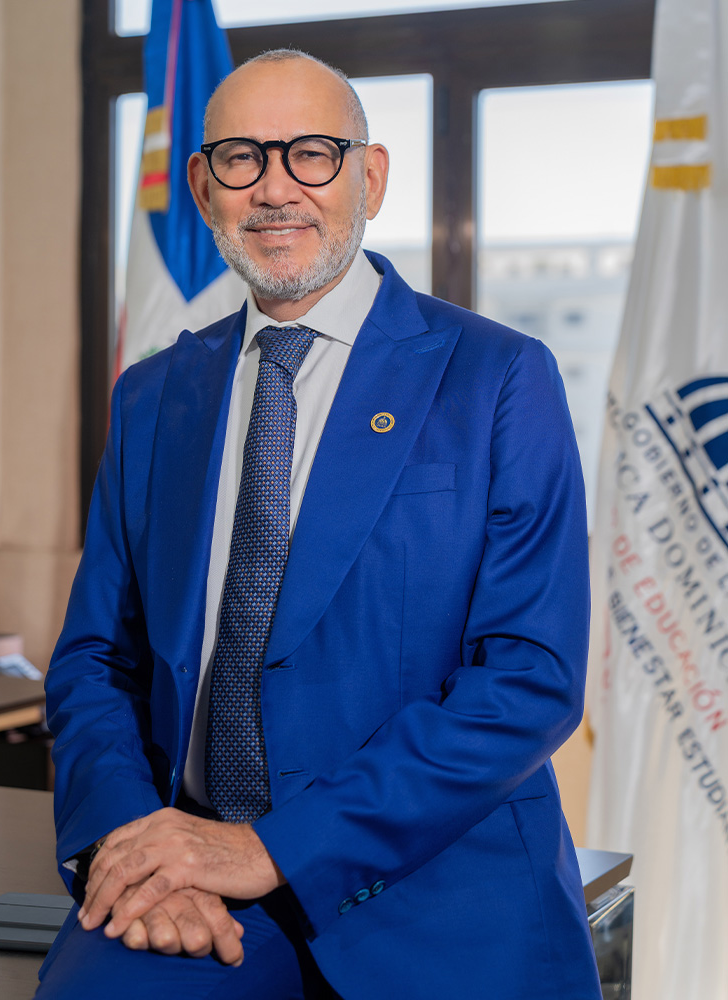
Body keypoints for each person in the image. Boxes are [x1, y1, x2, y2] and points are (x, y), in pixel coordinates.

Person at [37, 49, 602, 1000]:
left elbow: (528, 680)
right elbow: (96, 660)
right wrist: (129, 846)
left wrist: (272, 848)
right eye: (241, 159)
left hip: (434, 893)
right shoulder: (152, 397)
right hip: (193, 885)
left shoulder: (500, 377)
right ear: (202, 188)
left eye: (312, 153)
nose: (275, 190)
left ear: (369, 178)